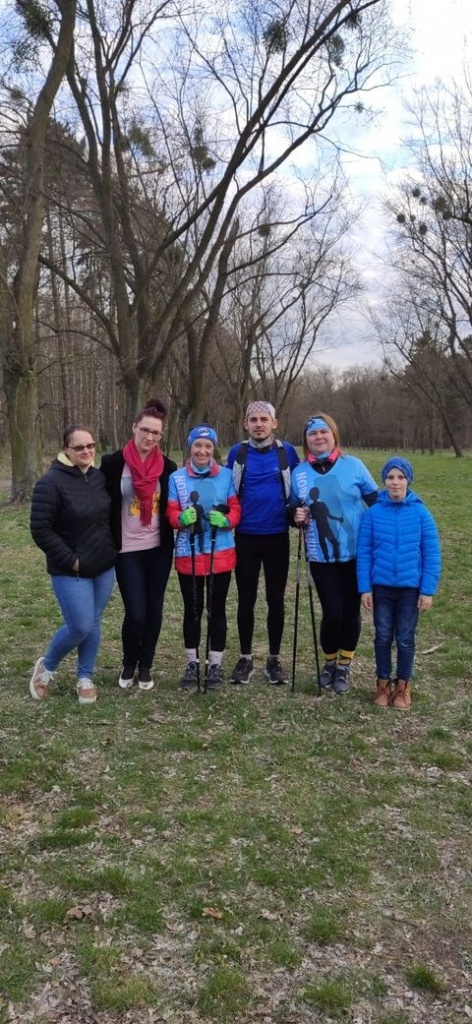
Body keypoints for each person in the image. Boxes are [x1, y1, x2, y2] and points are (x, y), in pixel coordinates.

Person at [29, 424, 116, 704]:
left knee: (92, 622)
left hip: (103, 566)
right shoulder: (50, 483)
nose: (86, 451)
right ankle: (47, 667)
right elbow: (41, 529)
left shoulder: (99, 477)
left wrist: (110, 549)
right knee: (78, 625)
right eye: (79, 447)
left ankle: (84, 676)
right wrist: (72, 561)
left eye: (90, 446)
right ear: (66, 449)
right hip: (71, 570)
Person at [291, 413, 377, 694]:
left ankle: (344, 665)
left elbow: (376, 501)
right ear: (307, 441)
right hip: (320, 555)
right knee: (332, 611)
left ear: (333, 435)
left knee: (351, 612)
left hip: (356, 552)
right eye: (313, 434)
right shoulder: (300, 473)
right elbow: (292, 508)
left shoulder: (354, 466)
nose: (318, 437)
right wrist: (295, 514)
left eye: (323, 432)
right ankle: (329, 663)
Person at [100, 398, 177, 691]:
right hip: (126, 549)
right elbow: (99, 503)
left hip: (158, 548)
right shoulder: (112, 463)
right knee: (136, 610)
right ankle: (129, 662)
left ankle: (146, 665)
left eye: (156, 433)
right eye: (145, 430)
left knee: (154, 608)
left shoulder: (168, 467)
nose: (149, 437)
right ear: (134, 428)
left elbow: (173, 505)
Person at [357, 456, 441, 710]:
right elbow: (364, 552)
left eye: (400, 477)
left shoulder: (421, 513)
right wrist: (365, 588)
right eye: (390, 477)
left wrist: (427, 590)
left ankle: (403, 686)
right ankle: (383, 684)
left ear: (408, 480)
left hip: (409, 589)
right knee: (382, 636)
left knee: (405, 638)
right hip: (381, 588)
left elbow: (432, 553)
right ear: (384, 481)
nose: (395, 482)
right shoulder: (373, 514)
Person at [226, 401, 299, 685]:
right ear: (246, 423)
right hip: (245, 536)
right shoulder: (238, 452)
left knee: (275, 600)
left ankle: (274, 659)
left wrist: (300, 512)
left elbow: (299, 486)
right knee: (246, 599)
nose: (259, 424)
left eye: (264, 419)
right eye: (253, 419)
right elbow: (226, 488)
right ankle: (245, 658)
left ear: (274, 423)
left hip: (277, 536)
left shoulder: (287, 452)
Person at [166, 424, 241, 690]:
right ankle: (192, 663)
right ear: (190, 447)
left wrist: (227, 520)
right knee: (192, 611)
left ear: (213, 449)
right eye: (198, 445)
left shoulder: (227, 476)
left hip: (220, 552)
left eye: (207, 446)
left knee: (217, 610)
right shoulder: (176, 478)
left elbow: (236, 510)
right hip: (189, 553)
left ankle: (216, 664)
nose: (202, 450)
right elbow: (171, 514)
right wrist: (180, 520)